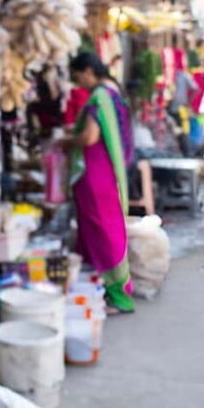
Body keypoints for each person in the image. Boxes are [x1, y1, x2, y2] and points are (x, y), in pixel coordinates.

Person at [61, 52, 135, 313]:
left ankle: (118, 295)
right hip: (105, 174)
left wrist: (67, 141)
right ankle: (101, 289)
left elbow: (90, 137)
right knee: (103, 229)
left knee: (103, 231)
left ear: (89, 71)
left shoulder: (99, 97)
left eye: (78, 76)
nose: (78, 82)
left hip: (95, 175)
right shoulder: (113, 93)